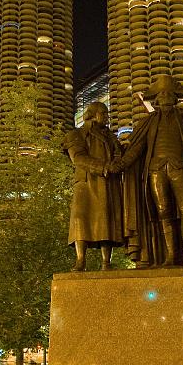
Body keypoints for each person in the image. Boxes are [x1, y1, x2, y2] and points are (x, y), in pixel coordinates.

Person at [113, 74, 183, 267]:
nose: (165, 97)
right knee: (163, 211)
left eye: (169, 94)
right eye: (161, 94)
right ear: (157, 100)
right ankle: (169, 254)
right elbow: (136, 148)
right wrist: (121, 164)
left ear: (175, 98)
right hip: (156, 170)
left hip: (181, 167)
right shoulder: (149, 122)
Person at [62, 102, 123, 271]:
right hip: (86, 182)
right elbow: (78, 158)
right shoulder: (77, 134)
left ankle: (106, 262)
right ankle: (80, 260)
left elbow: (119, 155)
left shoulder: (111, 137)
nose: (106, 117)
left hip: (107, 183)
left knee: (106, 220)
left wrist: (116, 163)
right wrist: (104, 166)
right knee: (81, 219)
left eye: (107, 114)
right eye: (103, 113)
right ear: (92, 114)